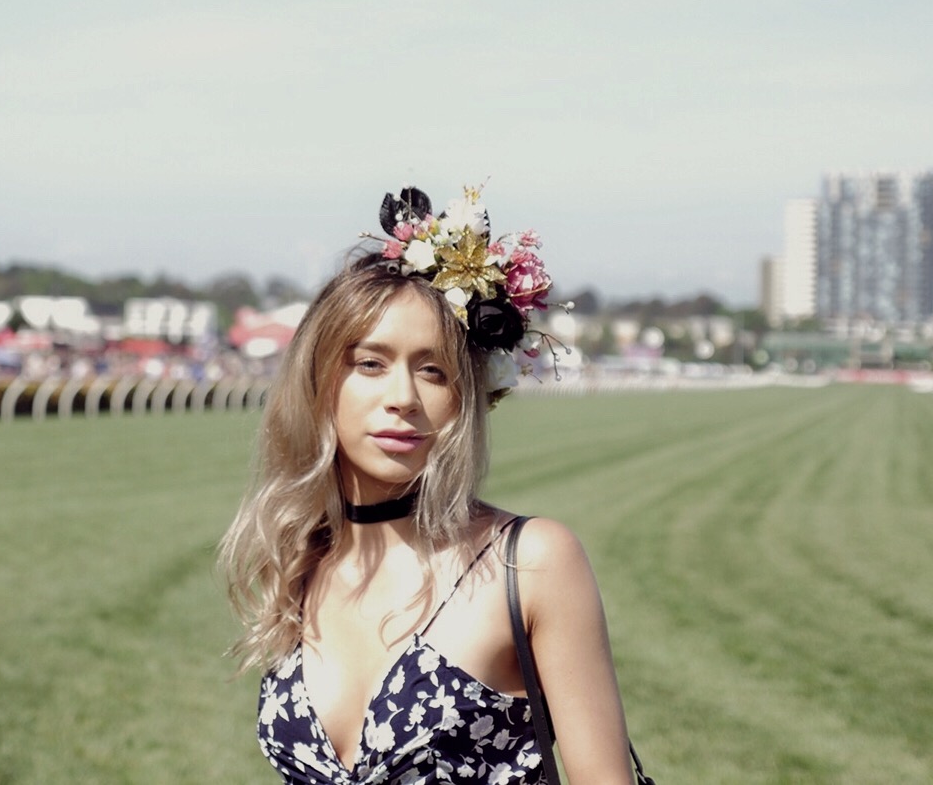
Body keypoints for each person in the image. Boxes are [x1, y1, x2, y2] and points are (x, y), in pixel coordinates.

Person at [221, 185, 637, 784]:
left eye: (433, 370)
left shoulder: (530, 562)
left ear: (463, 397)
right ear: (319, 381)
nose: (402, 399)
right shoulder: (300, 561)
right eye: (370, 364)